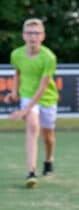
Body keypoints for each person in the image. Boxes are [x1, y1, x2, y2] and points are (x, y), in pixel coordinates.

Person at [4, 18, 59, 188]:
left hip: (47, 98)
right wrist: (14, 92)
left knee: (48, 136)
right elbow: (18, 72)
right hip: (27, 95)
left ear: (42, 36)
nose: (32, 37)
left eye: (36, 33)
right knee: (33, 126)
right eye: (29, 33)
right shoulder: (16, 54)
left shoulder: (49, 57)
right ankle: (31, 172)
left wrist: (23, 110)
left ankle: (49, 160)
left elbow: (42, 88)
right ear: (23, 35)